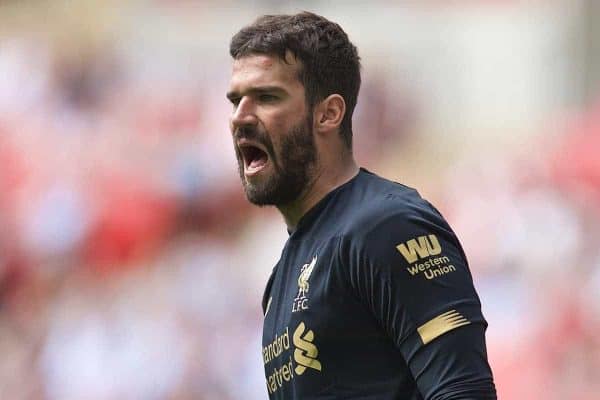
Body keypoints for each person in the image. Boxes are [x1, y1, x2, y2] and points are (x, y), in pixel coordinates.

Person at [226, 12, 496, 400]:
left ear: (329, 113)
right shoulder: (282, 275)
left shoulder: (388, 225)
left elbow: (463, 391)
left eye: (267, 97)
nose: (240, 117)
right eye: (236, 101)